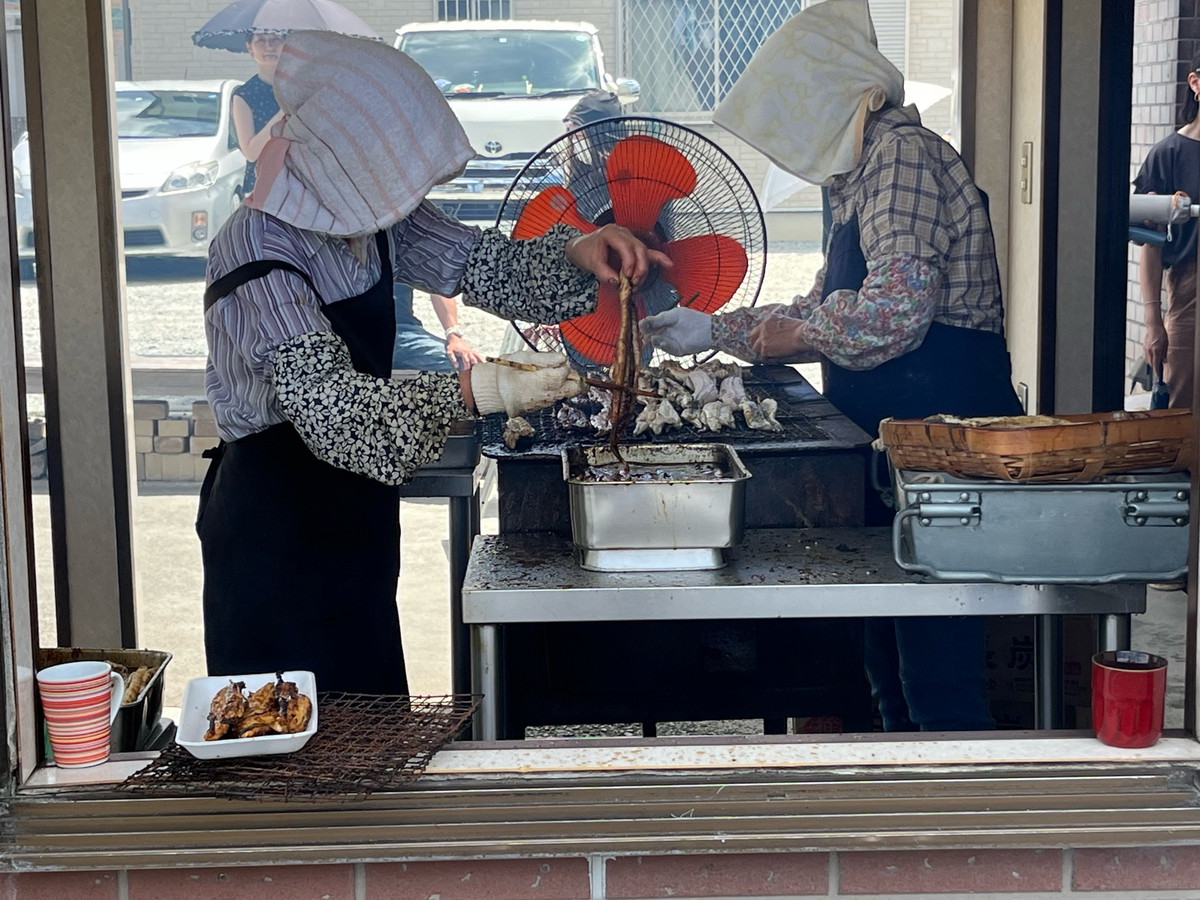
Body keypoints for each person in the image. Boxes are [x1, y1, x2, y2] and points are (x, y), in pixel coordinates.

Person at [198, 30, 670, 695]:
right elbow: (340, 418)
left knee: (368, 720)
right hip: (274, 528)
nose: (399, 198)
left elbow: (484, 266)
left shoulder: (372, 219)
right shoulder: (254, 252)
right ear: (334, 157)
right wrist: (473, 392)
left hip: (354, 514)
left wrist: (579, 250)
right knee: (284, 749)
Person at [639, 0, 1022, 732]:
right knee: (882, 646)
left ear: (833, 96)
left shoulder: (902, 157)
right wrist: (713, 327)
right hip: (886, 445)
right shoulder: (859, 180)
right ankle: (892, 819)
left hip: (942, 446)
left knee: (936, 659)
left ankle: (956, 824)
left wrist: (781, 337)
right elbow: (823, 303)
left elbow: (894, 314)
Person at [1133, 51, 1200, 409]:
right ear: (1196, 83)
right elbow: (1151, 244)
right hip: (1189, 290)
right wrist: (1152, 320)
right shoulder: (1168, 154)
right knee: (1182, 405)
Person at [231, 30, 285, 196]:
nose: (269, 46)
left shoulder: (301, 87)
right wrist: (282, 113)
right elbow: (251, 152)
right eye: (261, 40)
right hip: (263, 185)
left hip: (302, 183)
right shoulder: (244, 96)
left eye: (275, 39)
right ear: (250, 48)